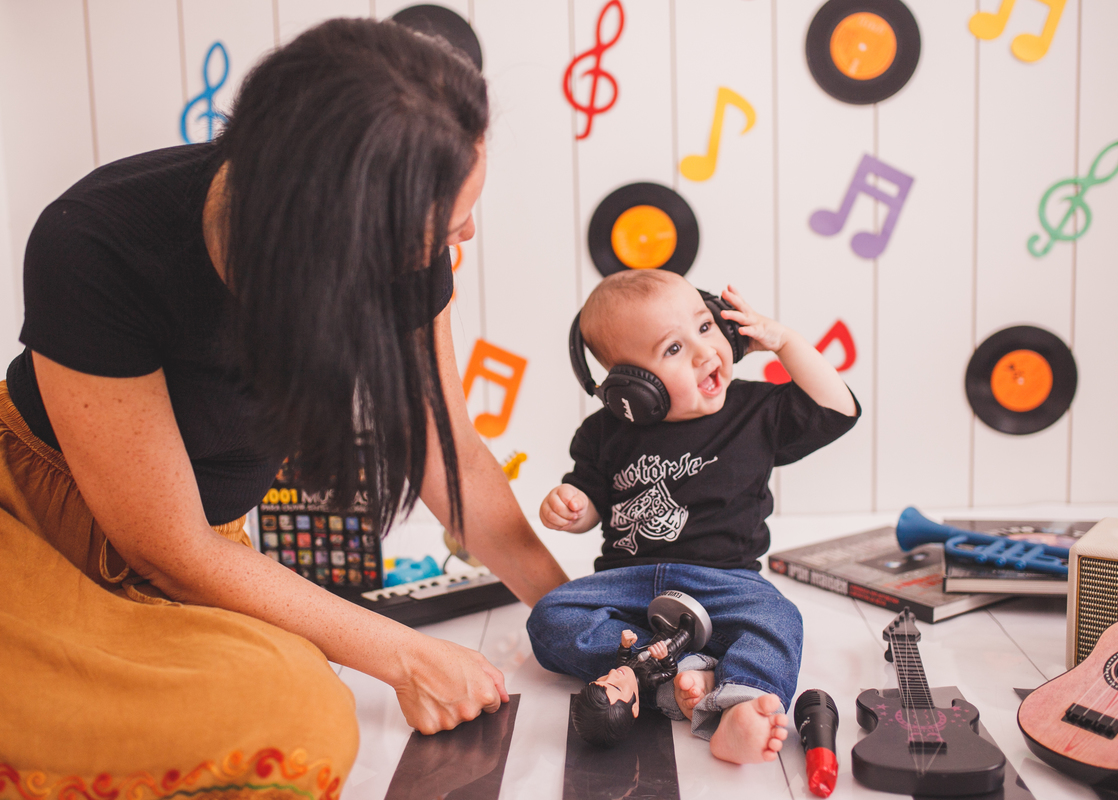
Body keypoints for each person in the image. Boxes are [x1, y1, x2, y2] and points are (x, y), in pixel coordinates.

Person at [0, 18, 567, 795]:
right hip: (34, 529)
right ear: (329, 235)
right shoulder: (95, 241)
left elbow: (448, 452)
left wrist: (568, 610)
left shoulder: (408, 250)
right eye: (447, 221)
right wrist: (403, 653)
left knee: (296, 711)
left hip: (201, 557)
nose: (466, 233)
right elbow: (166, 547)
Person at [527, 269, 859, 765]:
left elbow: (837, 407)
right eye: (674, 349)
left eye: (706, 327)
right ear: (630, 388)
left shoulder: (755, 411)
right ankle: (681, 673)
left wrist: (783, 340)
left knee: (777, 618)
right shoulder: (603, 431)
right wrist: (572, 506)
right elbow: (592, 498)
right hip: (628, 585)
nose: (706, 351)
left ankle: (739, 703)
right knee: (549, 619)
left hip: (725, 584)